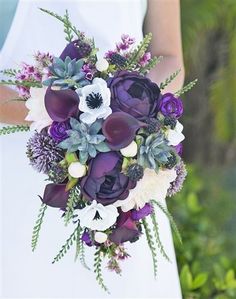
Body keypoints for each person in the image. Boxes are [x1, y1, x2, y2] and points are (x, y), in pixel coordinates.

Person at [0, 0, 184, 298]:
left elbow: (170, 55)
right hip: (17, 174)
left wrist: (137, 111)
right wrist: (58, 116)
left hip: (126, 179)